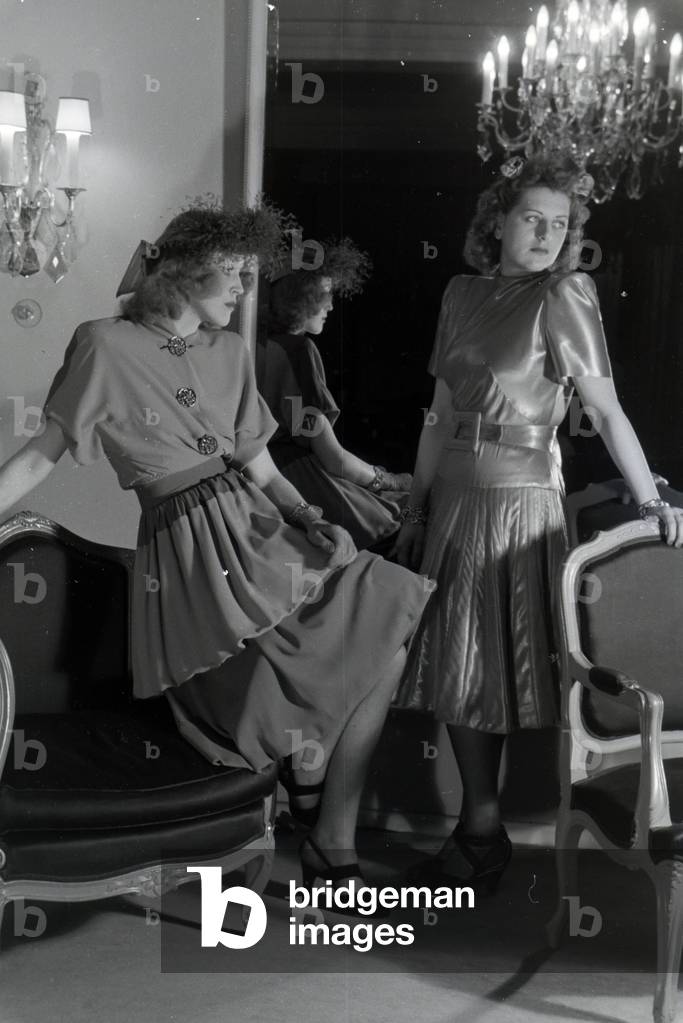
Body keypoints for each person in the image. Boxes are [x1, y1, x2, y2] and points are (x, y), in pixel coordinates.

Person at [0, 201, 432, 895]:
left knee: (384, 627)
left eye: (246, 275)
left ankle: (329, 830)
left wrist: (309, 514)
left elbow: (258, 463)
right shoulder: (104, 345)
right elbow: (38, 456)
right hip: (190, 551)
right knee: (296, 676)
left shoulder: (231, 352)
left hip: (260, 528)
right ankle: (315, 802)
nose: (242, 290)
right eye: (231, 273)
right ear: (179, 271)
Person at [393, 155, 683, 892]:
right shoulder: (459, 293)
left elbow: (605, 408)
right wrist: (417, 503)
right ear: (496, 219)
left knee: (490, 665)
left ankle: (481, 829)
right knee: (456, 667)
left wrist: (647, 495)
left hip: (520, 498)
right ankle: (480, 828)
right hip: (455, 496)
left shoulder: (565, 293)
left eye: (559, 224)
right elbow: (437, 412)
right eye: (532, 218)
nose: (547, 234)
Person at [256, 238, 411, 550]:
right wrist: (390, 480)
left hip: (269, 484)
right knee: (407, 517)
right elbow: (333, 459)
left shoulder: (257, 347)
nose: (330, 306)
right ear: (300, 297)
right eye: (324, 295)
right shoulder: (299, 350)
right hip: (306, 483)